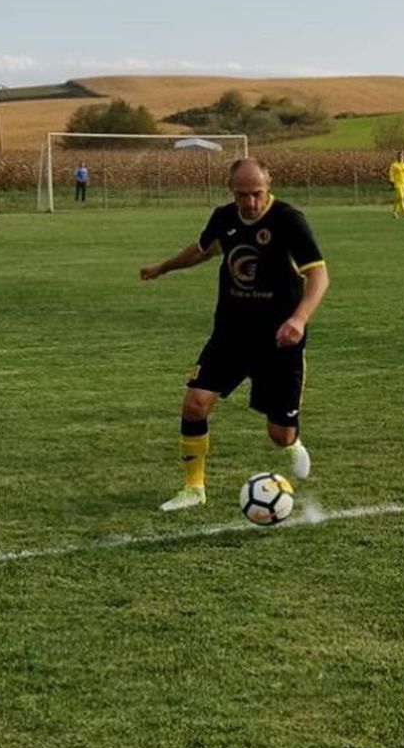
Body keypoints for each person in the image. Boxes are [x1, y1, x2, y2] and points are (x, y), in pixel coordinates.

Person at [139, 158, 330, 511]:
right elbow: (202, 250)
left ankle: (293, 441)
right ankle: (194, 488)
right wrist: (163, 268)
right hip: (231, 334)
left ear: (268, 187)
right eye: (243, 195)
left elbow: (319, 276)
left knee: (279, 434)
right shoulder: (223, 218)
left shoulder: (289, 221)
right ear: (232, 191)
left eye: (257, 194)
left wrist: (299, 319)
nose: (250, 203)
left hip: (279, 340)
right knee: (195, 403)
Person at [387, 151, 404, 218]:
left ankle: (394, 213)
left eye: (402, 156)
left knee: (398, 199)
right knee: (401, 198)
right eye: (399, 156)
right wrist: (392, 182)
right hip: (397, 184)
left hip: (403, 184)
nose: (401, 157)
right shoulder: (394, 165)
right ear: (397, 157)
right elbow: (391, 174)